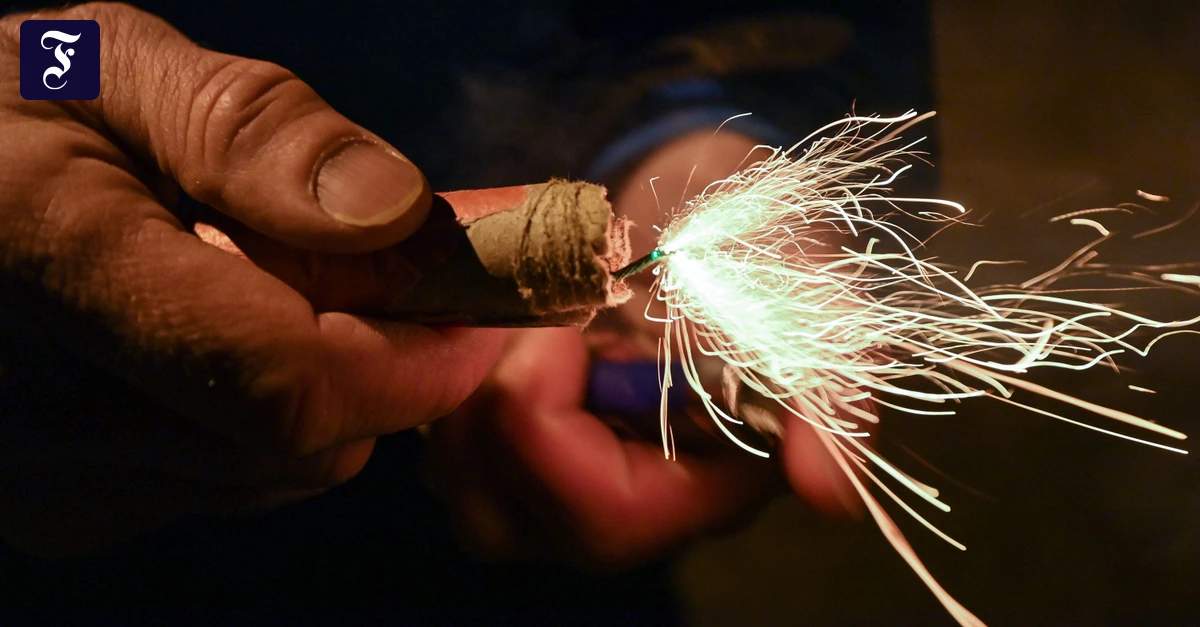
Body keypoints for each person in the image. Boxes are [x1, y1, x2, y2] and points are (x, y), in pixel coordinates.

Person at [0, 1, 931, 620]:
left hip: (505, 554)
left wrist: (703, 125)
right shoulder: (62, 59)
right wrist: (38, 61)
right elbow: (57, 53)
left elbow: (782, 19)